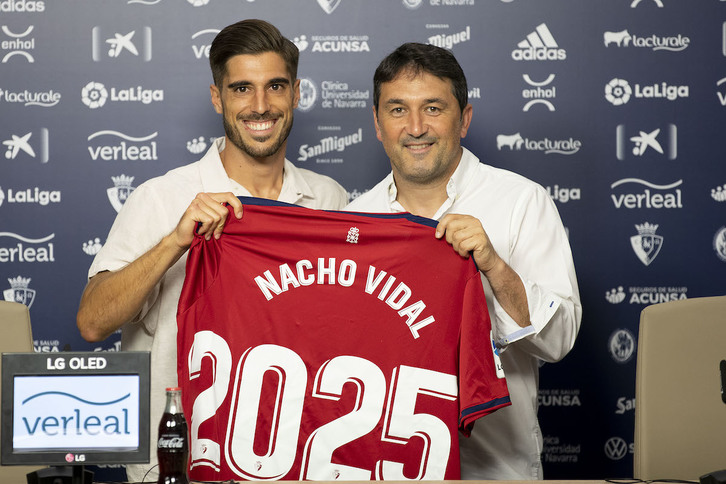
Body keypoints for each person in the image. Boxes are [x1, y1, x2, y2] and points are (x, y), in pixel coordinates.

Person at [76, 19, 348, 482]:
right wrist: (175, 242)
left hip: (299, 462)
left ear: (297, 93)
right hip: (180, 467)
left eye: (275, 86)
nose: (260, 105)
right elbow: (92, 322)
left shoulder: (332, 201)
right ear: (217, 98)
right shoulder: (161, 197)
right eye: (241, 88)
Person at [345, 42, 582, 479]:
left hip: (493, 472)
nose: (416, 127)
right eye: (398, 110)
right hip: (380, 469)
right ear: (377, 124)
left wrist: (493, 265)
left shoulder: (521, 201)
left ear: (464, 119)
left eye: (433, 107)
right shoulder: (352, 221)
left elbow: (560, 339)